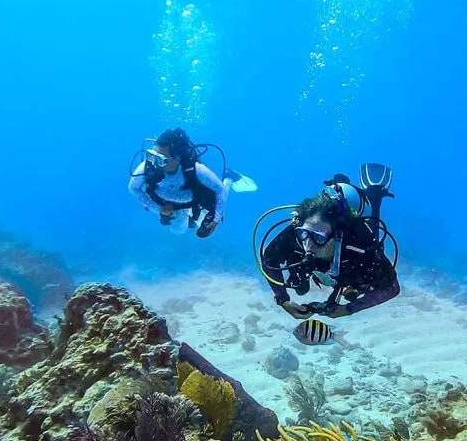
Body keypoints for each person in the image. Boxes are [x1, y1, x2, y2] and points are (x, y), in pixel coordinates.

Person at [260, 166, 399, 319]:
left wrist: (349, 308)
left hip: (349, 254)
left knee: (361, 282)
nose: (308, 246)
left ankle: (374, 194)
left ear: (336, 237)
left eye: (318, 237)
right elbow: (269, 258)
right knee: (300, 288)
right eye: (303, 233)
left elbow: (391, 288)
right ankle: (339, 185)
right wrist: (283, 299)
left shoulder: (359, 247)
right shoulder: (296, 232)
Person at [128, 128, 256, 238]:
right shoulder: (146, 167)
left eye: (160, 159)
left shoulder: (196, 170)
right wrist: (158, 209)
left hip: (192, 199)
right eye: (152, 155)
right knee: (178, 231)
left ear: (177, 158)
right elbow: (133, 188)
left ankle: (228, 178)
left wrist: (216, 219)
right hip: (167, 203)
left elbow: (219, 189)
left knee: (201, 229)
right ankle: (189, 219)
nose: (154, 163)